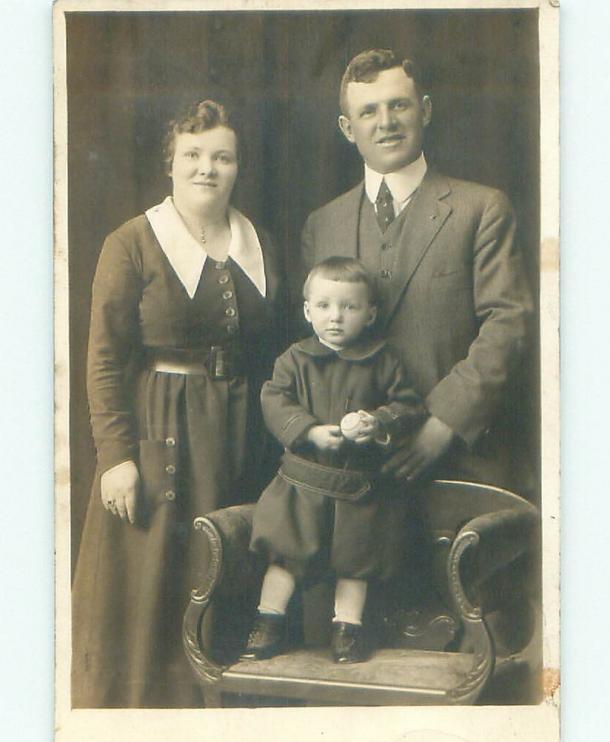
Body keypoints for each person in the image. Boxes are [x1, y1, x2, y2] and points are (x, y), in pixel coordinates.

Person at [71, 100, 284, 708]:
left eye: (221, 156)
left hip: (242, 437)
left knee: (228, 574)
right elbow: (105, 359)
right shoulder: (133, 241)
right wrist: (116, 456)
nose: (207, 169)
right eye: (192, 155)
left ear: (237, 166)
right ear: (171, 163)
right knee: (155, 588)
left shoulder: (257, 242)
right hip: (163, 436)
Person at [301, 49, 535, 496]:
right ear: (348, 129)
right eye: (369, 111)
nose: (385, 122)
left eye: (399, 105)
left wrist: (443, 423)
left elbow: (508, 325)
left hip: (462, 458)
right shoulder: (322, 225)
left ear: (424, 110)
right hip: (356, 472)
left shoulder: (481, 209)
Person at [243, 257, 426, 664]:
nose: (336, 318)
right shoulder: (294, 360)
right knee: (284, 557)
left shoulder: (384, 361)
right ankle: (267, 623)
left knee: (355, 562)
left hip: (356, 488)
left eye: (350, 307)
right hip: (302, 484)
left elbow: (408, 406)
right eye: (324, 306)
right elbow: (274, 399)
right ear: (308, 311)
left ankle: (347, 630)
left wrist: (375, 422)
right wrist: (306, 431)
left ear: (370, 313)